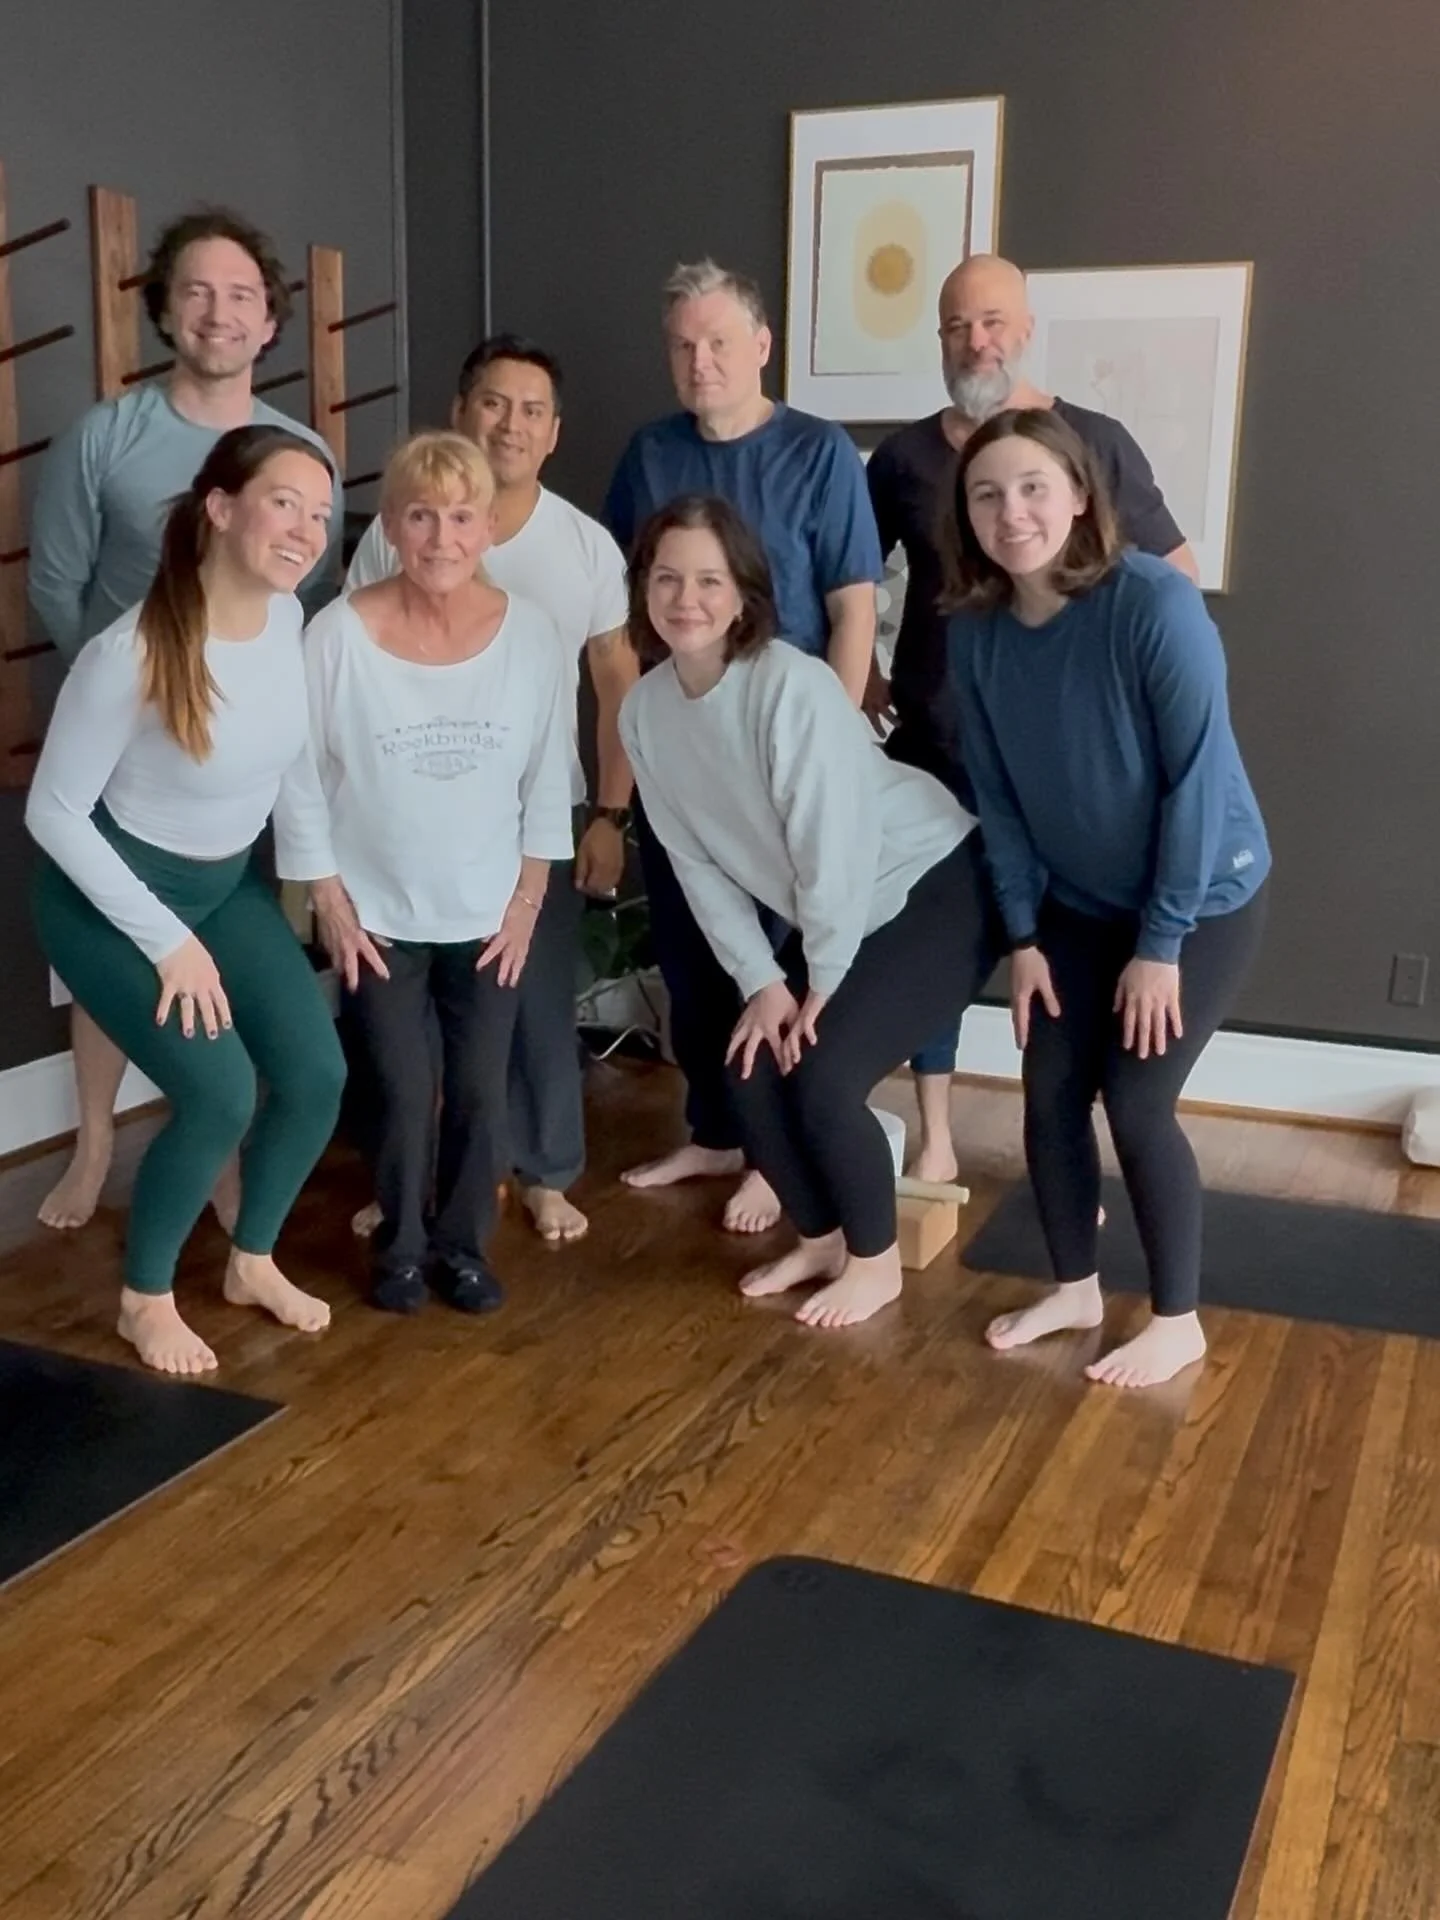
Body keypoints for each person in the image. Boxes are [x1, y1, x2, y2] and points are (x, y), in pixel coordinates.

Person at [27, 206, 343, 1235]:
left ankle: (219, 1171)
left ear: (268, 322)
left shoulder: (293, 452)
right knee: (116, 954)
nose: (219, 312)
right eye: (197, 291)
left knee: (224, 997)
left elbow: (290, 599)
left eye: (242, 295)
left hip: (236, 780)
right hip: (129, 745)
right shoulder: (104, 436)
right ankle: (94, 1145)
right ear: (166, 308)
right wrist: (144, 700)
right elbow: (58, 585)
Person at [940, 409, 1270, 1389]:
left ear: (1081, 495)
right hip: (1076, 911)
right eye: (987, 494)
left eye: (1034, 487)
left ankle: (1177, 1319)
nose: (1013, 513)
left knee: (1135, 1098)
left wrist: (1161, 943)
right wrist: (1024, 933)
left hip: (1201, 898)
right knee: (1047, 1089)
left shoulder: (1153, 604)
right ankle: (1075, 1287)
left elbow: (1198, 784)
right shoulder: (976, 634)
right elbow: (995, 798)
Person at [619, 495, 1000, 1329]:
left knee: (821, 1072)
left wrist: (818, 983)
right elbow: (694, 862)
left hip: (933, 882)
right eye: (668, 577)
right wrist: (762, 981)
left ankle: (875, 1264)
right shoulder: (645, 711)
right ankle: (826, 1237)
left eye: (709, 580)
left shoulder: (790, 686)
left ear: (746, 595)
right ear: (642, 588)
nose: (687, 598)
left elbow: (837, 844)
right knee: (748, 1067)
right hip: (843, 908)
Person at [866, 253, 1200, 1189]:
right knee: (933, 938)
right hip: (938, 745)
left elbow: (1174, 570)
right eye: (958, 326)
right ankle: (933, 1129)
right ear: (939, 340)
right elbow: (851, 583)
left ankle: (1069, 1163)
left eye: (994, 321)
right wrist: (858, 682)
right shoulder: (901, 459)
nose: (978, 341)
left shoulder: (1094, 438)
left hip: (1063, 762)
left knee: (1067, 961)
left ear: (1025, 327)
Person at [25, 425, 352, 1377]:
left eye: (321, 514)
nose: (306, 530)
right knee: (218, 1095)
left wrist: (319, 879)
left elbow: (288, 765)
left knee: (316, 1076)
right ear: (220, 508)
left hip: (220, 888)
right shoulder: (131, 650)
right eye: (285, 502)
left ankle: (251, 1260)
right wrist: (166, 942)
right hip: (111, 899)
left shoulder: (287, 618)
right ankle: (145, 1299)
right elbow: (53, 813)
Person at [605, 258, 883, 1232]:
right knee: (692, 959)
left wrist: (838, 754)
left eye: (719, 341)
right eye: (683, 345)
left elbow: (854, 610)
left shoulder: (821, 455)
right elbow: (628, 607)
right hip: (684, 742)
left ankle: (777, 1152)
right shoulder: (647, 453)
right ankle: (717, 1131)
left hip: (787, 752)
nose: (701, 359)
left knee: (780, 962)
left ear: (761, 347)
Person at [344, 334, 635, 1242]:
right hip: (404, 821)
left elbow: (617, 677)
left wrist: (611, 815)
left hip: (536, 818)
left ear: (553, 434)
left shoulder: (584, 546)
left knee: (537, 998)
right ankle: (409, 1179)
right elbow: (346, 665)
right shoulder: (396, 531)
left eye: (532, 410)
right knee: (410, 1016)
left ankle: (546, 1171)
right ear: (461, 411)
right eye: (495, 403)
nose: (512, 423)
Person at [304, 432, 574, 1315]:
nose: (441, 537)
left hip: (491, 913)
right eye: (421, 516)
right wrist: (330, 901)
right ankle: (401, 1248)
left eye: (461, 516)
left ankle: (462, 1247)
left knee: (480, 1092)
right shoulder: (337, 634)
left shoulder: (532, 637)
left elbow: (546, 777)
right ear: (391, 525)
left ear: (488, 527)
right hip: (375, 916)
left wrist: (529, 900)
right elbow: (296, 775)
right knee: (401, 1085)